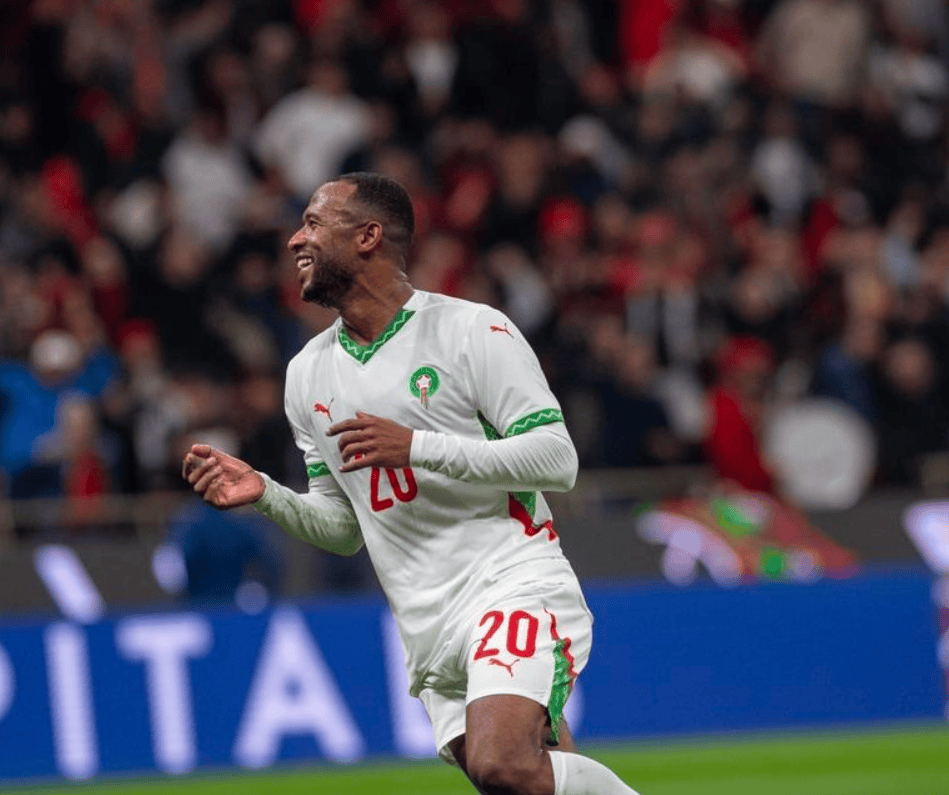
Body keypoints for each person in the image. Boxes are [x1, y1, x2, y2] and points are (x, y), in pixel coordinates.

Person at [183, 173, 641, 795]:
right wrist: (267, 494)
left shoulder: (473, 330)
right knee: (526, 782)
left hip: (509, 581)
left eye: (314, 223)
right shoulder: (307, 375)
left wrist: (418, 447)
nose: (295, 239)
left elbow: (557, 459)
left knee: (502, 763)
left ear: (368, 236)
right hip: (426, 625)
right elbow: (344, 529)